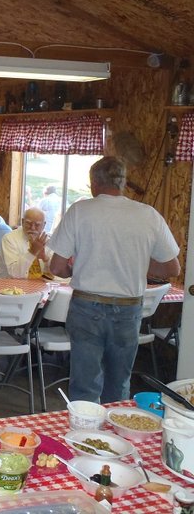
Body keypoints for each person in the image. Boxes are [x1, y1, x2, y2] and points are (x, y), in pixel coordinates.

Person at [49, 157, 180, 403]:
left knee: (85, 385)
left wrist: (74, 269)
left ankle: (85, 437)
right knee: (119, 383)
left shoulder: (80, 210)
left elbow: (57, 266)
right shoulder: (148, 214)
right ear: (123, 183)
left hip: (87, 306)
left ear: (94, 184)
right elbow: (172, 268)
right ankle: (116, 435)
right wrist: (138, 262)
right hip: (129, 308)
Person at [0, 207, 54, 279]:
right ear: (22, 222)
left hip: (39, 286)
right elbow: (15, 274)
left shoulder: (47, 240)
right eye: (28, 223)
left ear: (44, 225)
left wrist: (45, 259)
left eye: (37, 225)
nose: (32, 228)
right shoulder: (9, 239)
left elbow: (55, 273)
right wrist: (32, 252)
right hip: (9, 287)